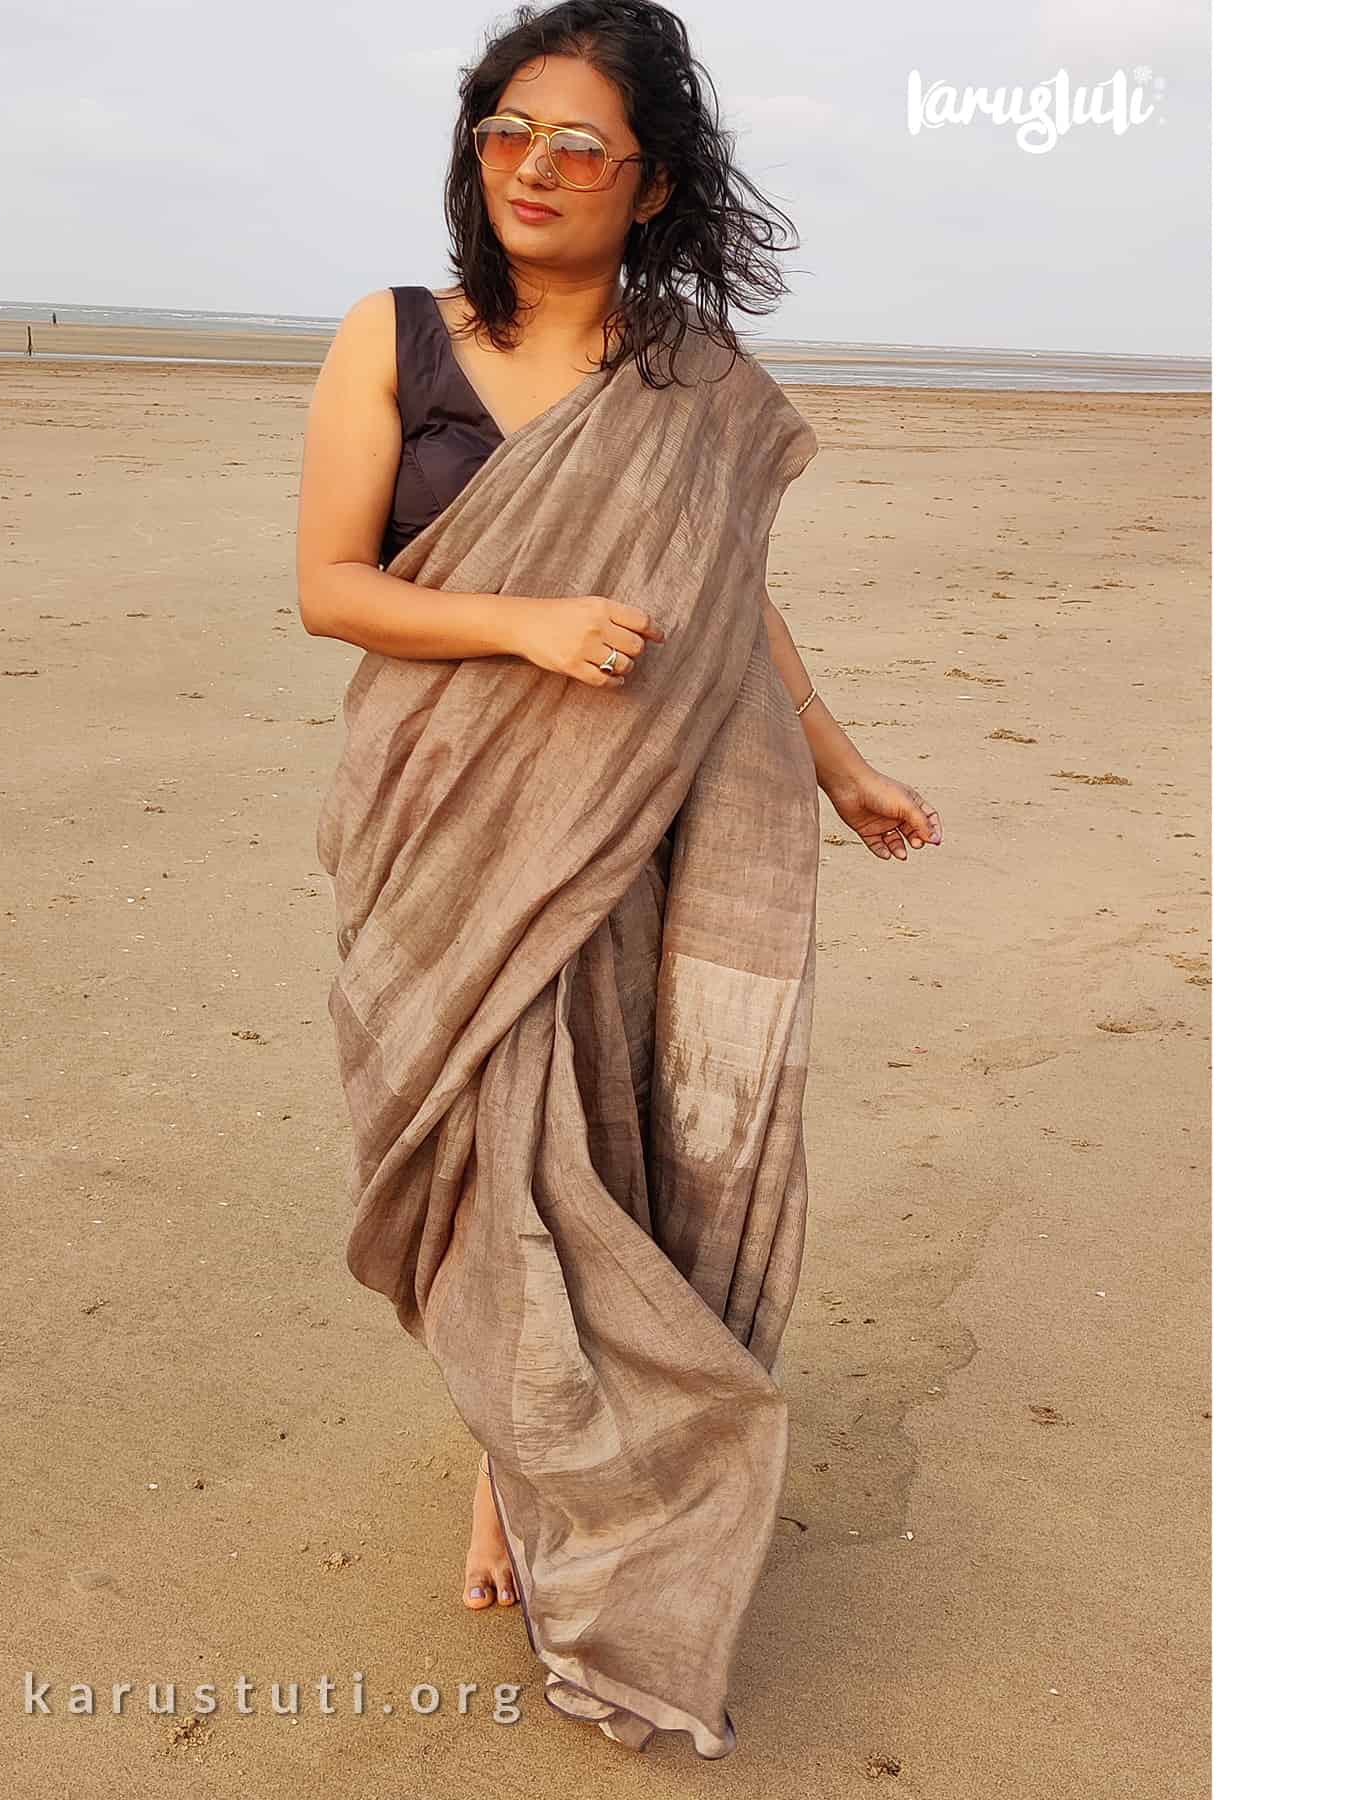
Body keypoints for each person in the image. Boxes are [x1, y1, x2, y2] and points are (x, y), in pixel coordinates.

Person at [297, 0, 941, 1758]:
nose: (535, 168)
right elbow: (334, 586)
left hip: (637, 816)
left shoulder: (687, 381)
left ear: (651, 184)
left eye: (581, 145)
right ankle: (524, 1449)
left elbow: (732, 597)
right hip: (443, 823)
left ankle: (533, 1477)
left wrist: (838, 760)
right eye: (509, 130)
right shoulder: (395, 334)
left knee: (589, 1149)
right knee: (478, 1162)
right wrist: (526, 625)